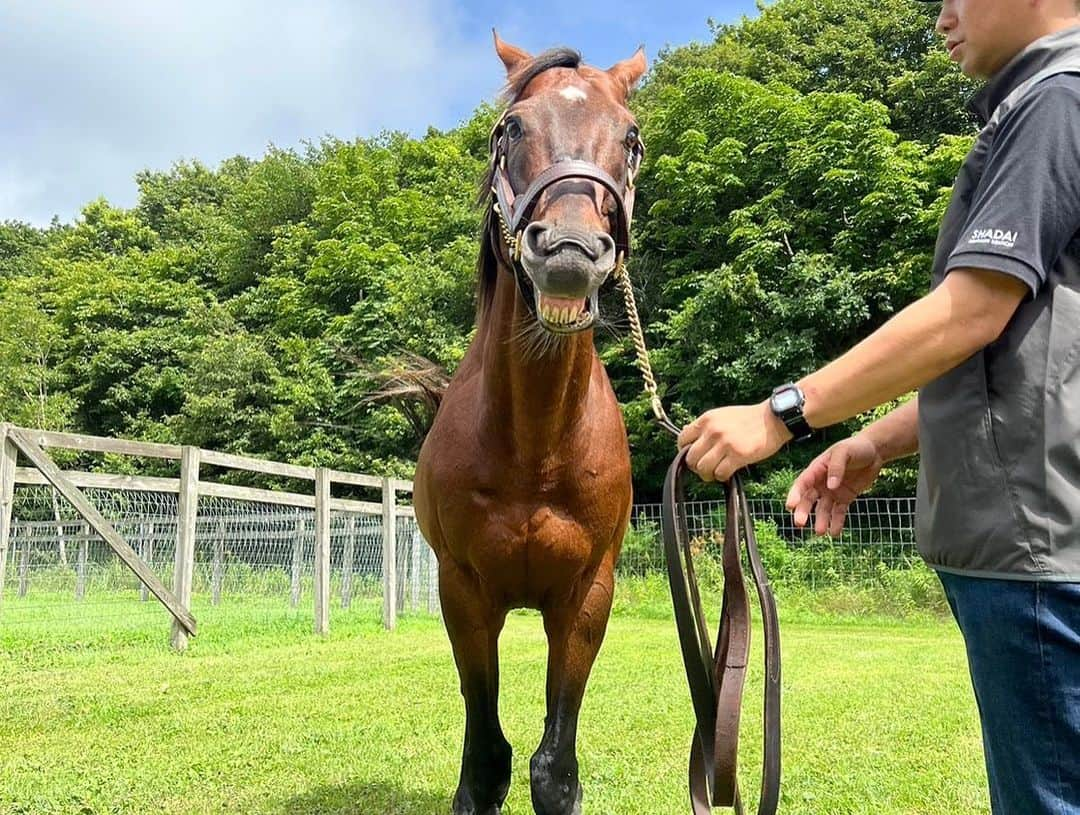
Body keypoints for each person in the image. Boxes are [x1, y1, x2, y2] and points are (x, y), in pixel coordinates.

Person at [676, 0, 1080, 811]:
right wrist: (877, 444)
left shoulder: (1056, 100)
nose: (942, 19)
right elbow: (1032, 355)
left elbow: (972, 311)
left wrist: (782, 413)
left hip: (1036, 554)